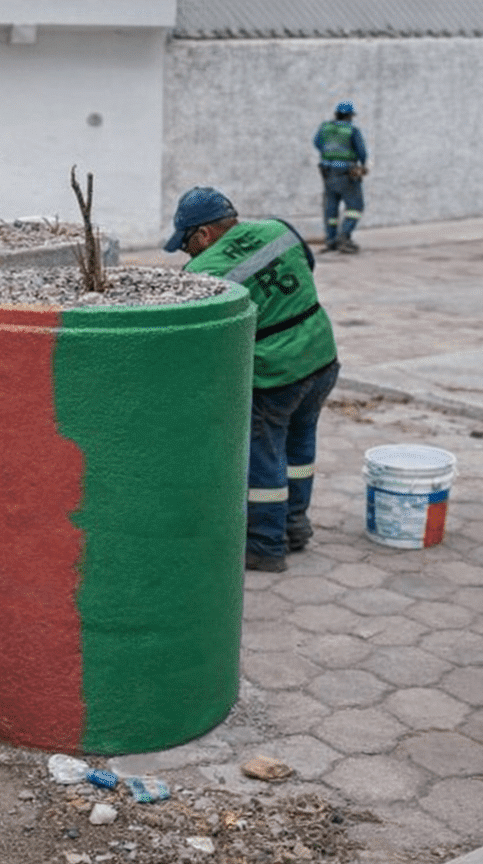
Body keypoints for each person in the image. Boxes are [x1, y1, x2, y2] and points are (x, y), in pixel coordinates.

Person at [163, 186, 340, 573]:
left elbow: (206, 334)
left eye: (186, 244)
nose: (187, 254)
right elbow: (306, 268)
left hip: (277, 373)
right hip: (321, 356)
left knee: (265, 457)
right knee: (300, 445)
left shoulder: (202, 272)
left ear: (204, 234)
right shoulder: (278, 229)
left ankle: (265, 545)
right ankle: (295, 525)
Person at [313, 100, 369, 254]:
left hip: (327, 171)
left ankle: (331, 240)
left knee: (331, 207)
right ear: (349, 116)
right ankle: (344, 237)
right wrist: (362, 164)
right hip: (346, 173)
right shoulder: (351, 130)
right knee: (355, 207)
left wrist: (329, 155)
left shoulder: (325, 127)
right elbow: (361, 151)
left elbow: (316, 143)